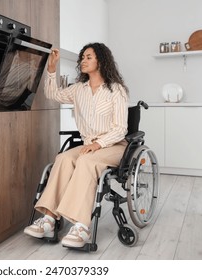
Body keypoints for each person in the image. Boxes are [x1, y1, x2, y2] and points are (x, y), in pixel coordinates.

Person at [23, 42, 129, 248]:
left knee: (87, 162)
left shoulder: (116, 90)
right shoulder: (78, 89)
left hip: (114, 145)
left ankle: (81, 226)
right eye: (82, 57)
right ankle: (48, 220)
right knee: (63, 158)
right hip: (89, 145)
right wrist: (51, 69)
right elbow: (53, 94)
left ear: (101, 60)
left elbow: (120, 128)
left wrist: (99, 144)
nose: (83, 61)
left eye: (89, 57)